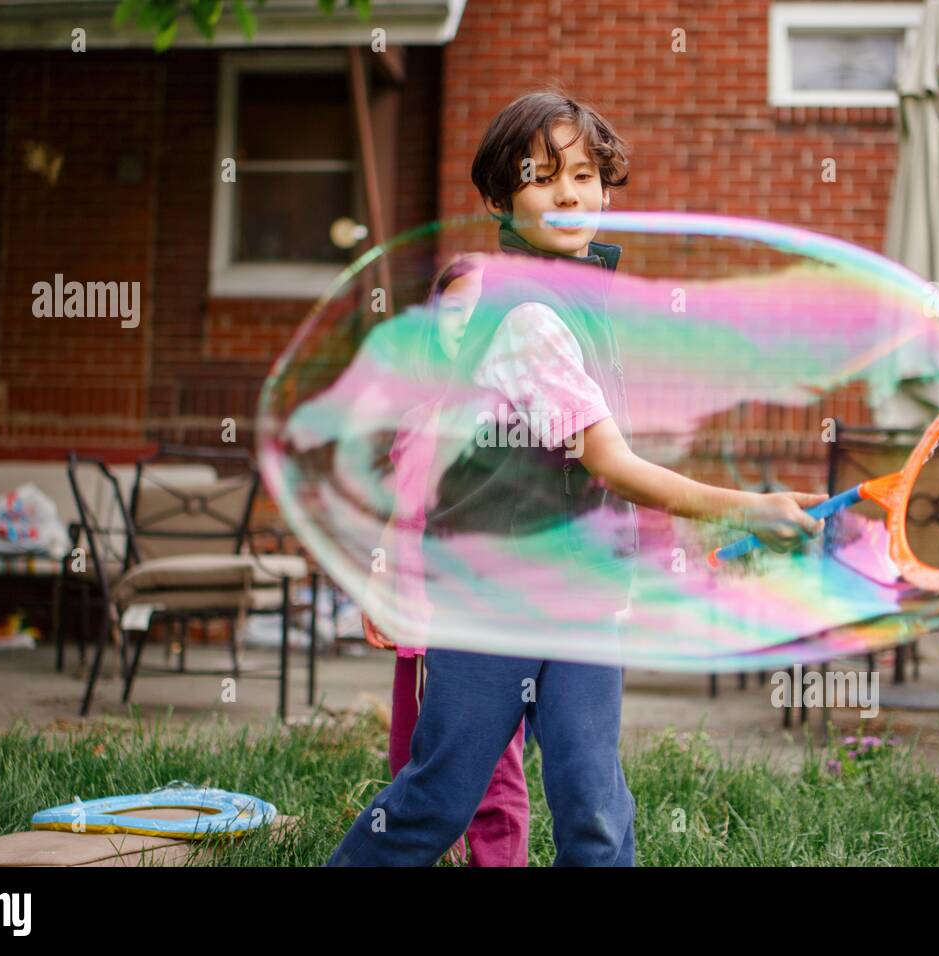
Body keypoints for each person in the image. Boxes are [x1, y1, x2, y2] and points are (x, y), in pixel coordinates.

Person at [328, 90, 826, 867]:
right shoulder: (525, 312)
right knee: (438, 797)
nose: (569, 192)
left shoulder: (584, 296)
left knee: (594, 804)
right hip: (491, 601)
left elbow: (591, 475)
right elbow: (609, 462)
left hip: (583, 601)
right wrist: (743, 509)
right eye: (540, 176)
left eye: (586, 174)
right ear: (501, 197)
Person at [361, 253, 531, 867]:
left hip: (474, 618)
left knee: (487, 766)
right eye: (452, 309)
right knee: (413, 754)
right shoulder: (418, 419)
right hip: (416, 612)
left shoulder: (513, 418)